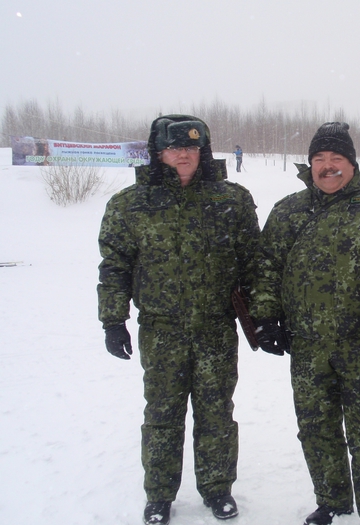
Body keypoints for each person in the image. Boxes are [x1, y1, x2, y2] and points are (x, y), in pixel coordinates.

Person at [249, 122, 360, 525]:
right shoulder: (289, 210)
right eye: (319, 159)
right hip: (306, 346)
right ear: (309, 164)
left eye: (336, 159)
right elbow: (265, 268)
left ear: (352, 163)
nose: (327, 167)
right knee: (316, 429)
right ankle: (332, 500)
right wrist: (265, 317)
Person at [97, 115, 260, 525]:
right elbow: (115, 265)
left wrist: (264, 316)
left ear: (203, 151)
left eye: (191, 147)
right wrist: (113, 320)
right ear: (157, 152)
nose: (183, 154)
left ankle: (217, 488)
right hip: (161, 330)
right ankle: (159, 496)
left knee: (216, 413)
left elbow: (254, 265)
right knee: (162, 415)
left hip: (216, 330)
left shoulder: (232, 200)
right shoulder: (130, 205)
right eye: (173, 147)